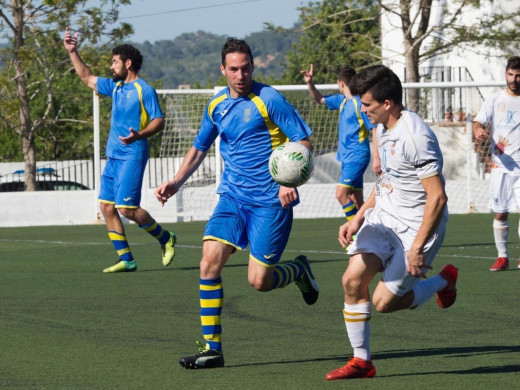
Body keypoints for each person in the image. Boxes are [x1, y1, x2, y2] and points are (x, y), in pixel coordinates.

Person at [155, 37, 319, 369]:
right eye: (234, 69)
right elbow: (200, 148)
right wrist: (175, 181)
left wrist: (287, 181)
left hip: (271, 202)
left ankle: (299, 270)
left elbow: (301, 139)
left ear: (253, 67)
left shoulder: (269, 99)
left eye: (246, 68)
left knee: (259, 281)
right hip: (232, 198)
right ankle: (211, 349)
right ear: (223, 70)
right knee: (208, 263)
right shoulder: (216, 106)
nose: (240, 75)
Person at [325, 65, 458, 380]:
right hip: (384, 218)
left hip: (417, 226)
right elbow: (386, 179)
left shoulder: (415, 137)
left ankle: (443, 280)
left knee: (384, 303)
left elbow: (438, 198)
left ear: (387, 103)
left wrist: (416, 248)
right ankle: (362, 361)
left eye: (367, 104)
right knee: (351, 280)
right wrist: (358, 217)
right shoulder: (380, 128)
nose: (362, 109)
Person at [63, 28, 176, 273]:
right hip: (113, 156)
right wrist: (73, 51)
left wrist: (141, 134)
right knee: (106, 207)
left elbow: (159, 121)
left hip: (133, 155)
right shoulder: (114, 87)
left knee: (126, 209)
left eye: (114, 62)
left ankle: (166, 238)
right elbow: (87, 78)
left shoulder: (144, 89)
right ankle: (126, 259)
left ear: (128, 63)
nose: (111, 67)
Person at [301, 64, 375, 221]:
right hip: (346, 158)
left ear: (341, 83)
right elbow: (319, 99)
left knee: (341, 194)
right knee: (356, 199)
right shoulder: (341, 101)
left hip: (357, 156)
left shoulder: (359, 104)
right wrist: (310, 83)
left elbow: (374, 128)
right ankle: (372, 233)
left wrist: (378, 157)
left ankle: (355, 234)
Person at [473, 56, 520, 272]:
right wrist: (478, 130)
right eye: (511, 74)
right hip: (500, 166)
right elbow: (479, 121)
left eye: (518, 75)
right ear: (506, 74)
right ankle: (503, 257)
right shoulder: (494, 99)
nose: (514, 79)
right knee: (500, 213)